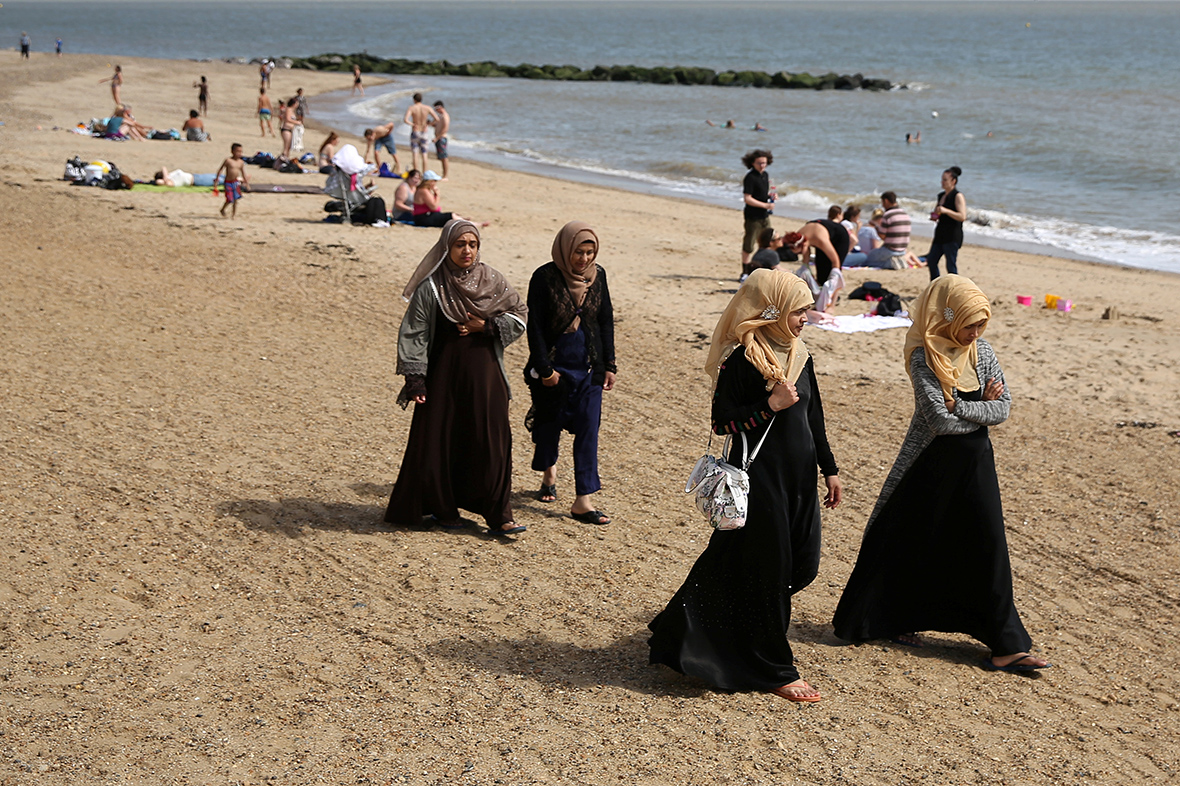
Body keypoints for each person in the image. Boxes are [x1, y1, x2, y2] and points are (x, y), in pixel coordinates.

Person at [832, 275, 1050, 674]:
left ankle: (1006, 645)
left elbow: (1003, 410)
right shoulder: (924, 355)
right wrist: (977, 407)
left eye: (981, 325)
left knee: (988, 547)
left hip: (975, 467)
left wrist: (961, 406)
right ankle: (889, 621)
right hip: (929, 464)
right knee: (911, 540)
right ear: (947, 317)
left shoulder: (982, 352)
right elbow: (936, 419)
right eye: (969, 324)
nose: (975, 333)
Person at [648, 269, 842, 703]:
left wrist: (829, 468)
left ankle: (686, 629)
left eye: (807, 309)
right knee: (768, 571)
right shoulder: (742, 361)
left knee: (799, 566)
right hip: (758, 481)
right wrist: (769, 405)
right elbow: (723, 422)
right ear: (772, 311)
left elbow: (814, 418)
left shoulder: (800, 355)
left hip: (799, 481)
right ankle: (775, 668)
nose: (806, 317)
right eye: (798, 311)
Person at [385, 220, 529, 536]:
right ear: (447, 247)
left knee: (493, 442)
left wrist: (486, 327)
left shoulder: (492, 279)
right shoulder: (432, 286)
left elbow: (520, 315)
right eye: (460, 244)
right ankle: (444, 509)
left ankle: (499, 514)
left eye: (472, 244)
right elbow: (415, 332)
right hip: (443, 377)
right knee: (440, 441)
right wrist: (415, 380)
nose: (467, 251)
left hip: (487, 377)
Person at [525, 221, 617, 525]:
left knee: (589, 429)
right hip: (554, 365)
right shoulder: (544, 277)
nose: (585, 259)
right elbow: (535, 327)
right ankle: (549, 472)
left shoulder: (598, 276)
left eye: (591, 252)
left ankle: (582, 501)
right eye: (579, 251)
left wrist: (609, 365)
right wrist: (545, 370)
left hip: (589, 366)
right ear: (566, 249)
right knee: (549, 425)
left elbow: (605, 321)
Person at [740, 149, 774, 280]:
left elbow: (761, 194)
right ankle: (745, 271)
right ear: (752, 163)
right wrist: (765, 205)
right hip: (752, 216)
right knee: (749, 244)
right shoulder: (750, 177)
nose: (762, 165)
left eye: (764, 163)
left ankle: (763, 268)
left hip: (765, 215)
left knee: (768, 240)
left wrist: (770, 197)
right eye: (759, 163)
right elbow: (747, 198)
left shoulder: (765, 175)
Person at [927, 166, 967, 279]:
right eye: (942, 179)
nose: (942, 182)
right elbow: (939, 212)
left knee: (950, 266)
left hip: (952, 235)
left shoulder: (957, 196)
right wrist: (935, 215)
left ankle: (954, 290)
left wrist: (946, 211)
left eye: (945, 180)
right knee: (931, 261)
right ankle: (935, 287)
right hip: (940, 234)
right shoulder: (941, 195)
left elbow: (962, 216)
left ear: (953, 181)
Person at [867, 191, 923, 269]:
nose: (883, 205)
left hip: (890, 249)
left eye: (883, 202)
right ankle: (898, 261)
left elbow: (882, 236)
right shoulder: (905, 214)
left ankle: (890, 264)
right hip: (903, 249)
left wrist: (875, 227)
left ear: (886, 201)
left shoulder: (887, 215)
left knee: (870, 257)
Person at [412, 170, 486, 228]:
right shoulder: (423, 191)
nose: (435, 183)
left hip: (425, 215)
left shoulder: (424, 190)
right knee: (450, 216)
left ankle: (462, 220)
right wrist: (437, 195)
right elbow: (434, 207)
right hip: (423, 218)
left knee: (452, 215)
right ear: (430, 182)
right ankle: (475, 224)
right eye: (434, 181)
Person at [402, 93, 440, 175]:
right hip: (424, 131)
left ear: (414, 100)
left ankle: (416, 173)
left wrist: (412, 124)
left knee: (415, 153)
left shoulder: (412, 108)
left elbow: (405, 119)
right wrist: (428, 124)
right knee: (424, 153)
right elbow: (437, 118)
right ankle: (425, 173)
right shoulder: (427, 108)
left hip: (416, 131)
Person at [215, 143, 250, 219]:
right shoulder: (228, 160)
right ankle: (223, 209)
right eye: (237, 151)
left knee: (235, 199)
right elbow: (220, 169)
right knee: (230, 199)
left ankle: (233, 215)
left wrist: (246, 183)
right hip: (228, 182)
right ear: (232, 151)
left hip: (235, 182)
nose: (239, 153)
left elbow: (243, 173)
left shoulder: (241, 162)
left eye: (241, 152)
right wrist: (216, 179)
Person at [431, 100, 451, 179]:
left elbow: (445, 128)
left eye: (436, 108)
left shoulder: (445, 116)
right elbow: (437, 125)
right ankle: (443, 174)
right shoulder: (440, 116)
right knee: (441, 157)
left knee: (444, 157)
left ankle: (445, 176)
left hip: (441, 138)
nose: (435, 110)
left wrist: (437, 138)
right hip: (439, 138)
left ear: (440, 107)